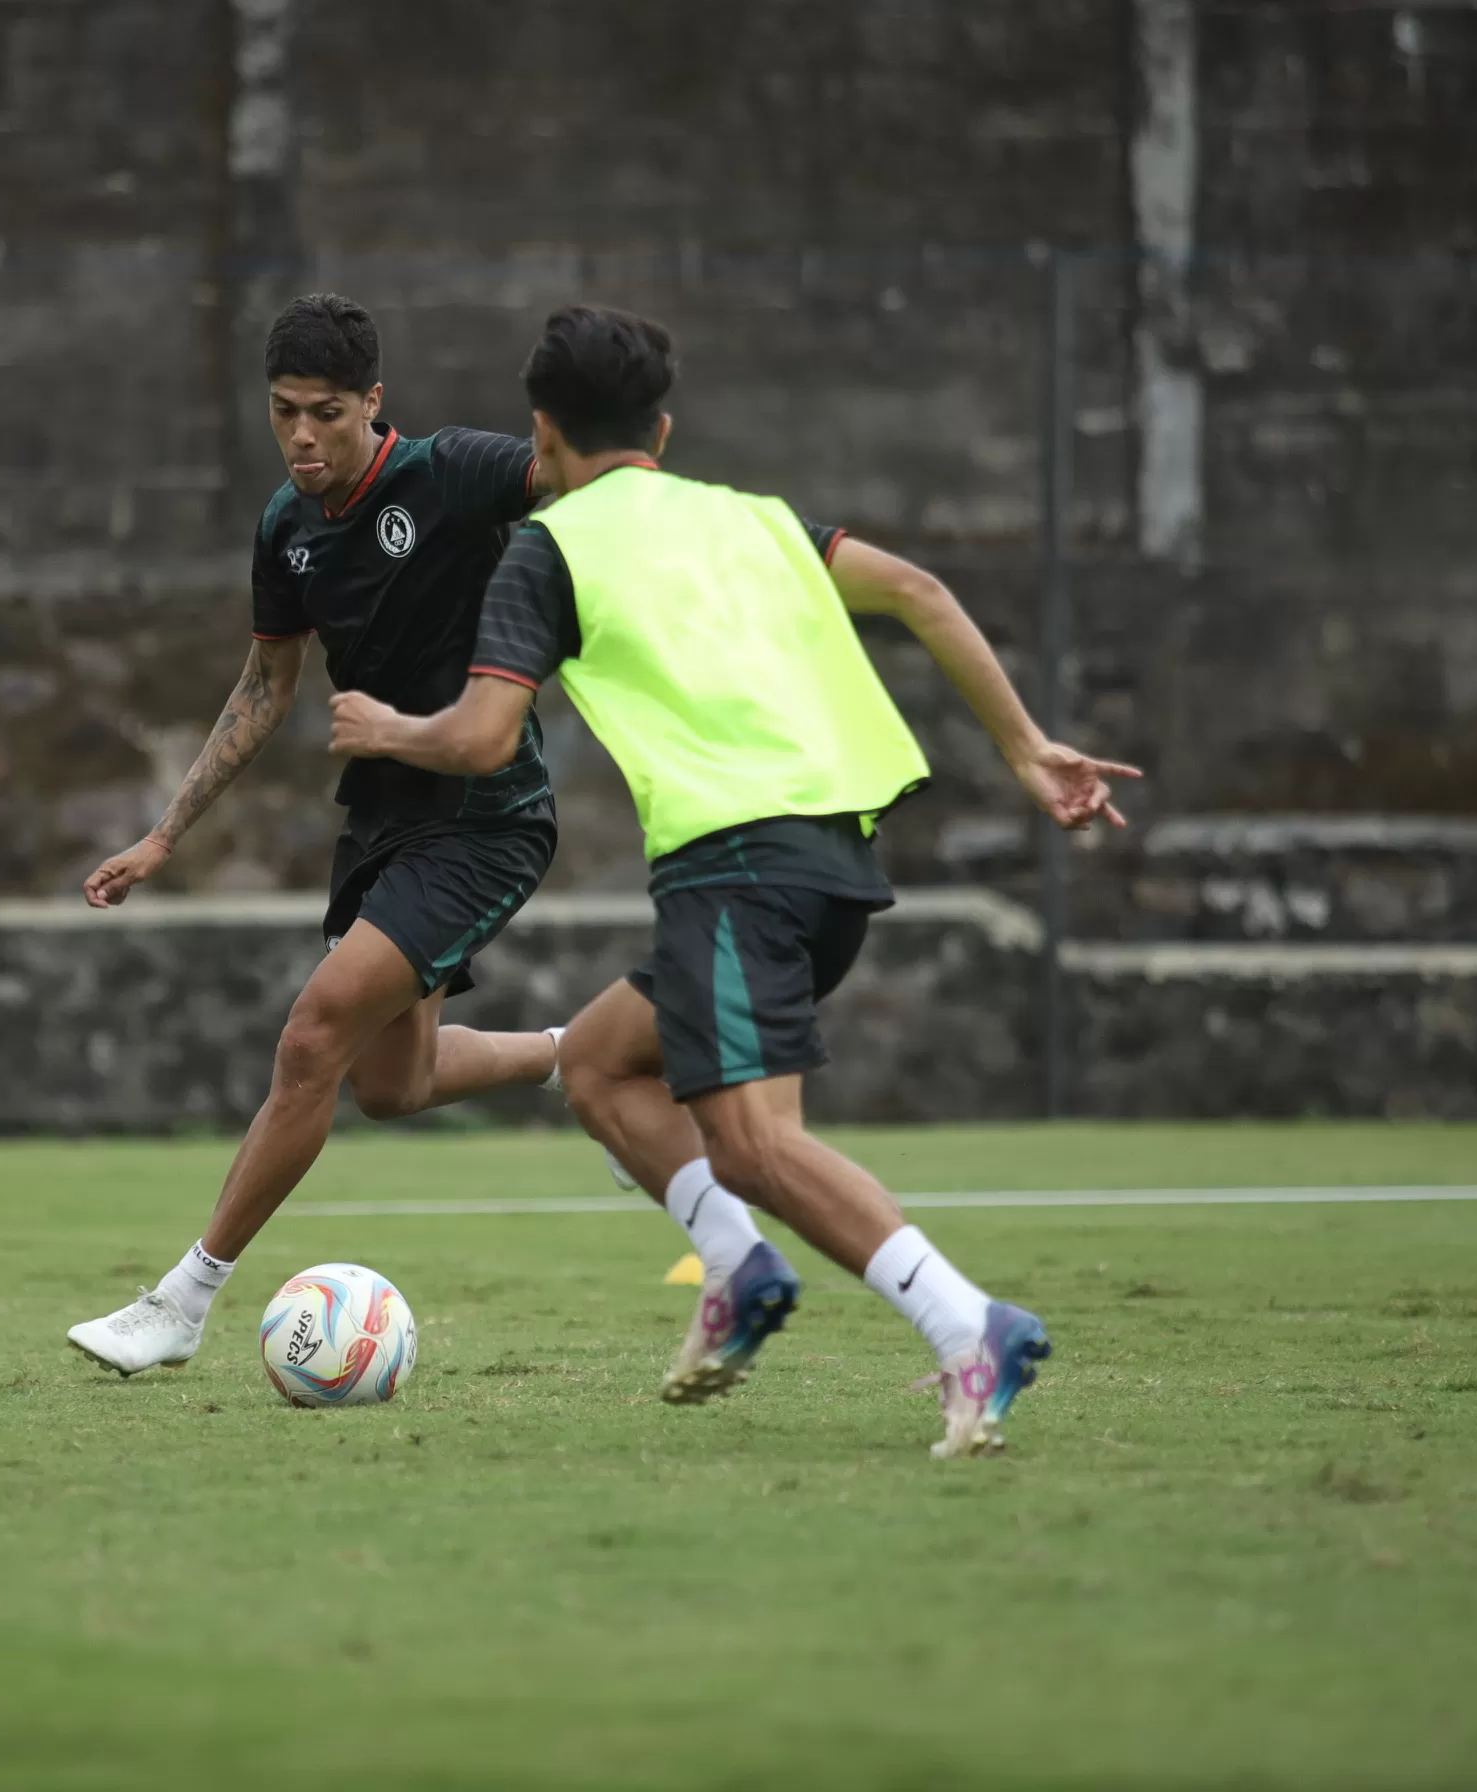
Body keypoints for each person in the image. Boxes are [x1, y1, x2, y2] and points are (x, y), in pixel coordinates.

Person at [329, 307, 1139, 1455]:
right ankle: (741, 1271)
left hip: (734, 861)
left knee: (755, 1145)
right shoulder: (753, 519)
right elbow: (920, 590)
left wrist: (382, 727)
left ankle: (975, 1327)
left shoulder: (549, 546)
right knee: (605, 1065)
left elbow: (477, 738)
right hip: (837, 853)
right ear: (660, 427)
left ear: (542, 433)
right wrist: (1024, 747)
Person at [65, 294, 782, 1375]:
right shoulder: (285, 527)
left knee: (312, 1034)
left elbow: (587, 478)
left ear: (372, 404)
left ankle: (183, 1300)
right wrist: (166, 834)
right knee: (388, 1087)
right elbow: (265, 685)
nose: (303, 436)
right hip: (387, 820)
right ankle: (589, 1056)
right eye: (283, 412)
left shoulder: (448, 473)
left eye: (327, 413)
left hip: (485, 818)